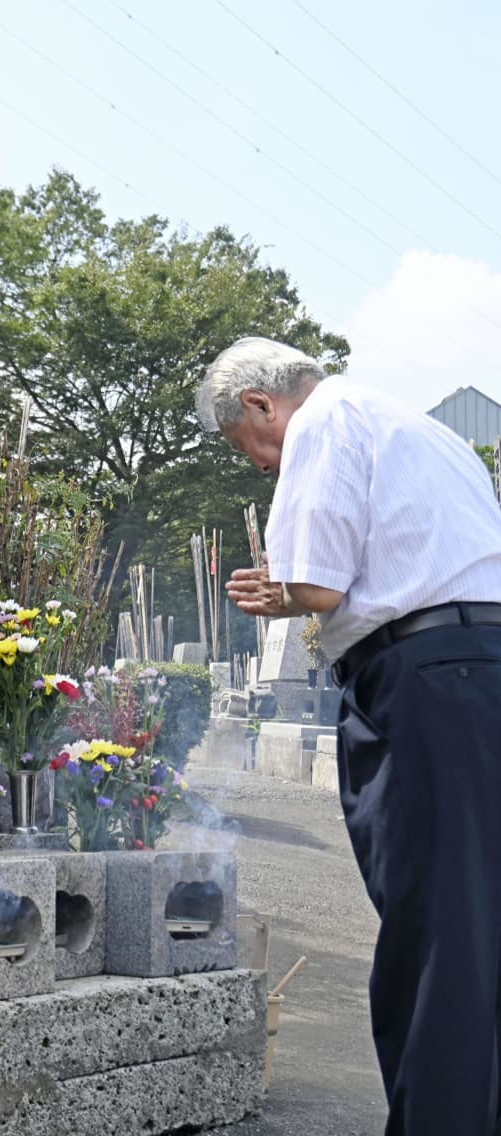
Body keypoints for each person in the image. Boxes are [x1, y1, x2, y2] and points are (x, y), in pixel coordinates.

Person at [196, 336, 501, 1136]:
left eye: (248, 446)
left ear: (262, 404)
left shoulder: (324, 421)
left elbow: (322, 585)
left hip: (425, 680)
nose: (260, 465)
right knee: (479, 914)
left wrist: (278, 592)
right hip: (484, 665)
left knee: (434, 924)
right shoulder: (421, 429)